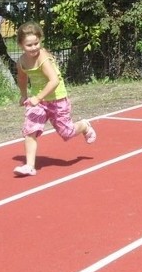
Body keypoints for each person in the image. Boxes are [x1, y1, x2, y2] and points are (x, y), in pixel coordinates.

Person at [14, 21, 96, 176]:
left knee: (67, 133)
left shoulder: (43, 58)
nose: (33, 48)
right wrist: (24, 94)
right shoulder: (22, 61)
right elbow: (22, 78)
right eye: (29, 45)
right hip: (39, 103)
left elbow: (54, 81)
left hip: (57, 99)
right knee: (30, 129)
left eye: (36, 43)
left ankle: (84, 126)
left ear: (40, 40)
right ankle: (29, 166)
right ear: (20, 45)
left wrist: (37, 97)